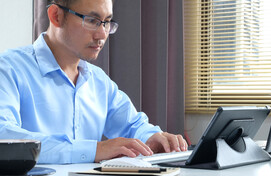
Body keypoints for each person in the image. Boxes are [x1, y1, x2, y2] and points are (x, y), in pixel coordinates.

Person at [0, 0, 187, 164]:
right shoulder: (9, 69)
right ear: (56, 16)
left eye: (106, 23)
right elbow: (4, 136)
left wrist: (152, 138)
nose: (102, 35)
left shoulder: (98, 81)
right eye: (91, 21)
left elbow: (132, 125)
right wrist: (94, 150)